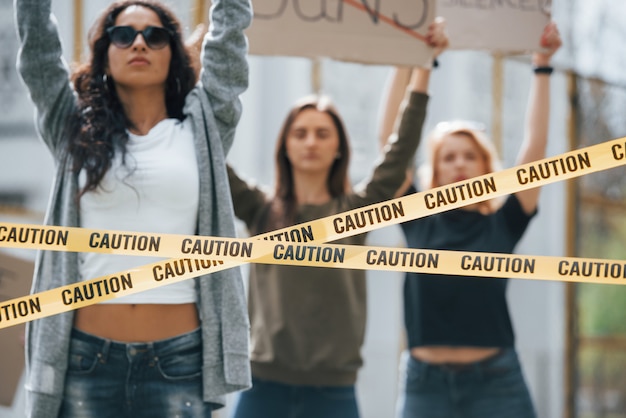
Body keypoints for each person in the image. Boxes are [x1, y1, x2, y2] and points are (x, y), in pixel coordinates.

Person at [14, 0, 252, 416]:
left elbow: (229, 41)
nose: (139, 43)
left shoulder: (204, 129)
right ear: (105, 53)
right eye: (123, 35)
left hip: (179, 362)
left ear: (172, 54)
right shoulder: (72, 126)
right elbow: (37, 49)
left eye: (155, 36)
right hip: (86, 362)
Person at [226, 21, 449, 418]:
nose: (311, 141)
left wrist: (424, 65)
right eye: (301, 133)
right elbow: (209, 155)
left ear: (339, 149)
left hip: (333, 394)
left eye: (322, 133)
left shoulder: (357, 210)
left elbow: (400, 153)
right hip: (262, 389)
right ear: (286, 146)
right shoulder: (258, 207)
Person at [378, 22, 563, 418]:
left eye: (469, 155)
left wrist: (543, 66)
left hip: (497, 382)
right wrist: (413, 61)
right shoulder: (416, 218)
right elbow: (389, 141)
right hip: (424, 385)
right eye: (448, 156)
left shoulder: (504, 222)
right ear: (436, 171)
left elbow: (535, 148)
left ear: (484, 167)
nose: (459, 163)